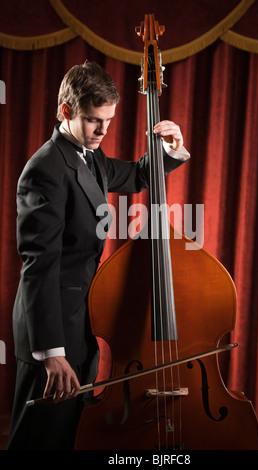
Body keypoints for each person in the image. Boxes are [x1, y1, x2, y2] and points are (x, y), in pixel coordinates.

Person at [7, 61, 190, 450]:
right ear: (68, 111)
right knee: (39, 437)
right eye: (94, 120)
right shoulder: (46, 169)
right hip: (52, 331)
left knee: (69, 434)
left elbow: (139, 175)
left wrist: (171, 149)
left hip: (81, 323)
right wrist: (52, 353)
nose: (103, 130)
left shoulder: (91, 158)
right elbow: (39, 265)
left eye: (108, 120)